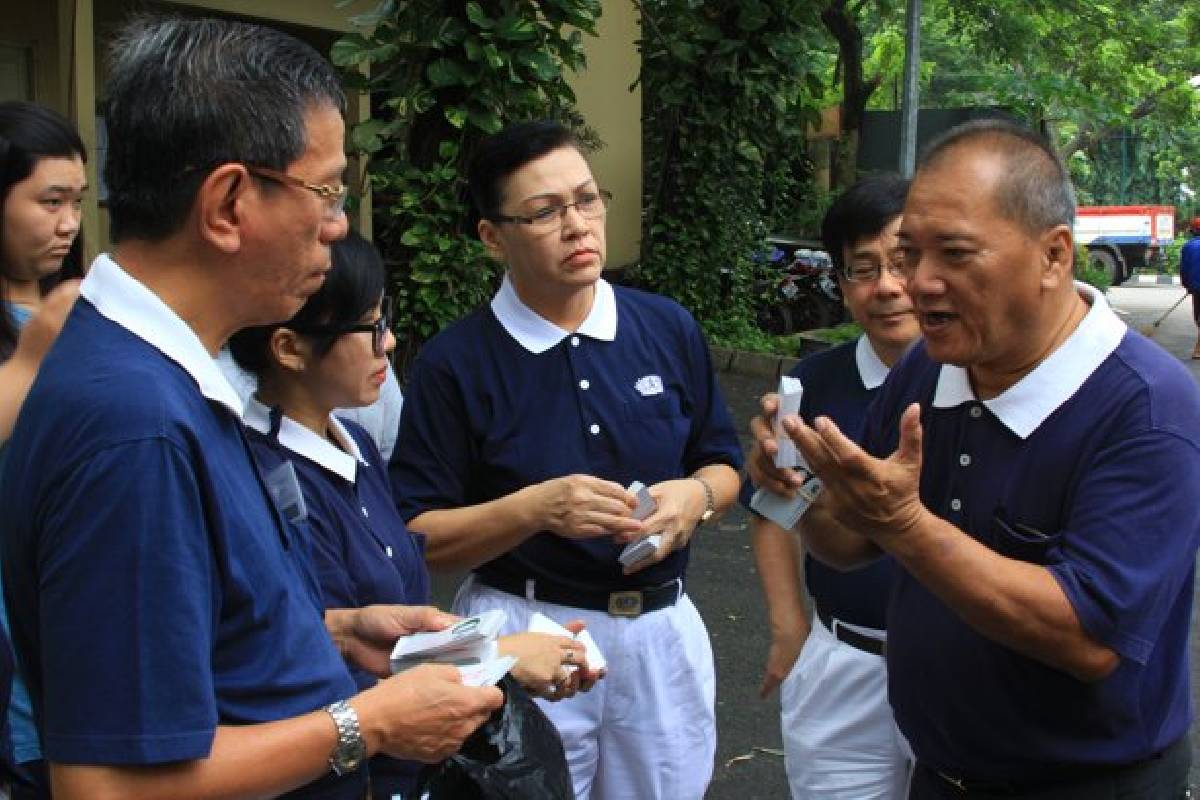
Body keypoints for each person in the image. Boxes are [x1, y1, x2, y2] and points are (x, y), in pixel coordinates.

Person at [0, 16, 502, 800]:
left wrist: (335, 630)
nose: (338, 228)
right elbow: (106, 784)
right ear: (229, 203)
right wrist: (367, 724)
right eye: (327, 191)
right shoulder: (135, 428)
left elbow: (183, 639)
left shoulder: (157, 377)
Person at [752, 119, 1199, 797]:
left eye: (955, 254)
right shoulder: (930, 370)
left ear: (1054, 257)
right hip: (940, 770)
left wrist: (907, 525)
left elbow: (1088, 639)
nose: (918, 282)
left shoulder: (1148, 409)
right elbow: (849, 544)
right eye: (910, 252)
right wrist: (797, 485)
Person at [390, 119, 743, 800]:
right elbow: (417, 536)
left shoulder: (666, 328)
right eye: (545, 212)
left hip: (660, 632)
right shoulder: (455, 364)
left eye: (587, 199)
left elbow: (724, 463)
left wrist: (694, 499)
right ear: (492, 237)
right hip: (523, 630)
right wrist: (534, 511)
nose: (577, 225)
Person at [230, 230, 600, 799]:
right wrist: (500, 660)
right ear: (288, 348)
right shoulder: (270, 479)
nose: (388, 342)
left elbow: (381, 628)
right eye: (370, 327)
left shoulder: (351, 441)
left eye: (387, 318)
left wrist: (517, 651)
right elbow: (313, 665)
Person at [746, 175, 916, 799]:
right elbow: (772, 506)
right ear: (843, 289)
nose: (888, 286)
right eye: (863, 269)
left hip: (960, 667)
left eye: (902, 261)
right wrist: (790, 627)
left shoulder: (980, 376)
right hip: (844, 658)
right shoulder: (814, 384)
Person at [0, 99, 88, 798]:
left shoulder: (84, 310)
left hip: (83, 631)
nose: (69, 224)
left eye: (79, 201)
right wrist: (32, 358)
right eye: (49, 200)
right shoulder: (40, 331)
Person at [1179, 216, 1200, 358]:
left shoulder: (1188, 247)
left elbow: (1184, 270)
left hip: (1196, 288)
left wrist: (1187, 285)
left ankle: (1198, 349)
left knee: (1198, 317)